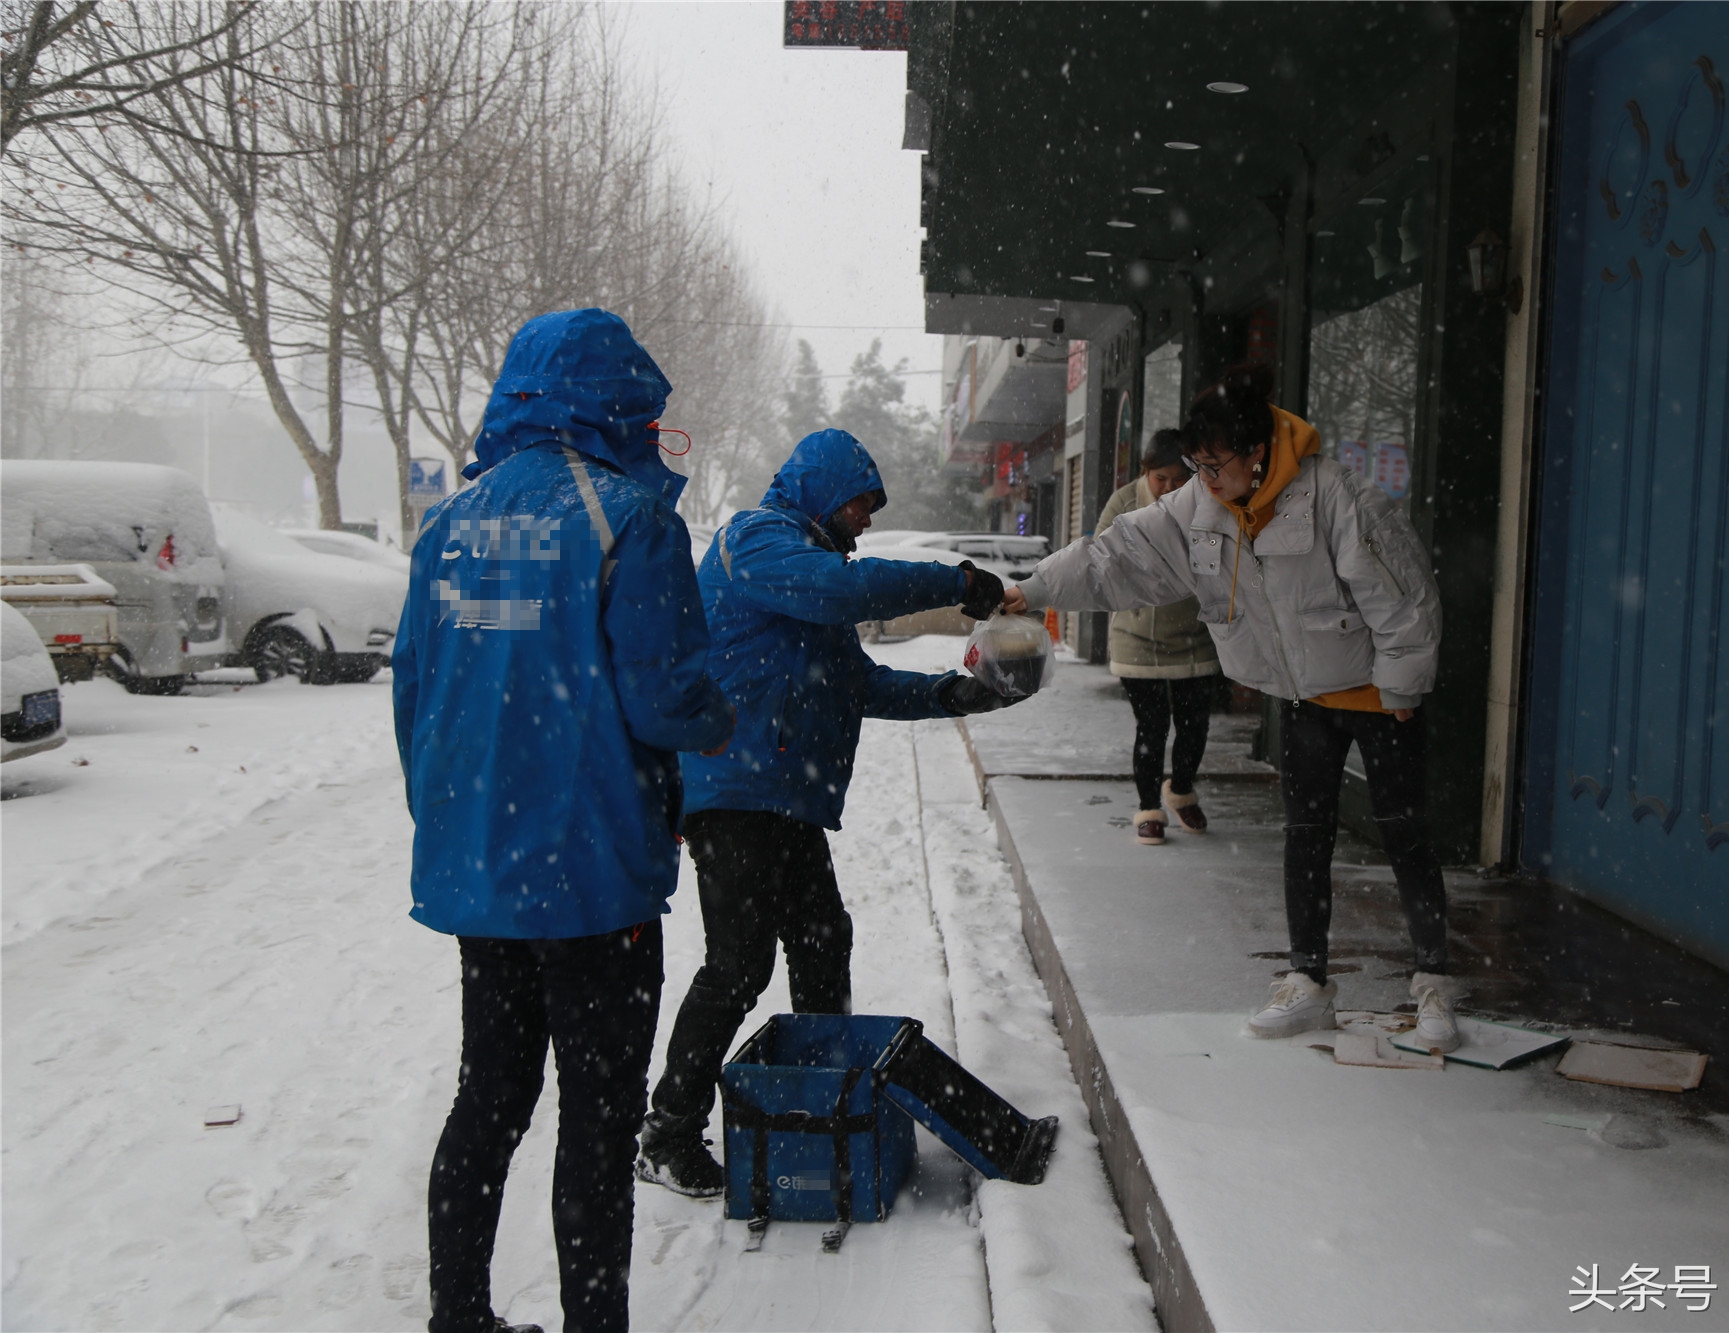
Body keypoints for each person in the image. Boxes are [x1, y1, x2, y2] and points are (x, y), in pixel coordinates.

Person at [393, 308, 735, 1333]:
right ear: (614, 404)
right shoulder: (628, 519)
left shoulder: (450, 522)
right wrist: (719, 712)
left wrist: (453, 822)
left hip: (483, 874)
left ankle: (458, 1313)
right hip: (592, 880)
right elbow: (663, 701)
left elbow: (413, 690)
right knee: (595, 1122)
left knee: (487, 1101)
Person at [1004, 364, 1461, 1051]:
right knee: (1305, 836)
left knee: (1404, 834)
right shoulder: (1200, 507)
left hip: (1375, 694)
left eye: (1215, 464)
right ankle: (1308, 980)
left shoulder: (1334, 495)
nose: (1203, 478)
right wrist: (1031, 589)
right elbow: (1115, 555)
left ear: (1257, 452)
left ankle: (1433, 980)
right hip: (1305, 696)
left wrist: (1402, 687)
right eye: (1196, 464)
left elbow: (1404, 594)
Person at [636, 427, 1017, 1195]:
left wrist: (952, 693)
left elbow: (861, 685)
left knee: (821, 940)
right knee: (739, 962)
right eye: (860, 504)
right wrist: (953, 582)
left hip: (784, 797)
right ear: (820, 489)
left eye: (874, 508)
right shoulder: (758, 539)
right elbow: (842, 590)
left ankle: (826, 1096)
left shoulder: (812, 580)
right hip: (734, 787)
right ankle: (666, 1133)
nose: (867, 519)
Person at [1096, 428, 1221, 845]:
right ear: (1145, 473)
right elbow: (1101, 554)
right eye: (1159, 478)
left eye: (1178, 479)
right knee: (1151, 726)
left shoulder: (1211, 501)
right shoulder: (1126, 501)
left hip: (1196, 632)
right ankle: (1149, 808)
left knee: (1194, 725)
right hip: (1138, 634)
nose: (1168, 488)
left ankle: (1181, 790)